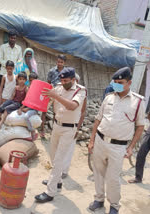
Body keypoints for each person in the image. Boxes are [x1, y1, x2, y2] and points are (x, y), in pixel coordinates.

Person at [87, 67, 145, 214]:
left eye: (121, 82)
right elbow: (98, 119)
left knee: (113, 178)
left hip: (119, 147)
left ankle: (114, 205)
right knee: (98, 174)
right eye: (115, 82)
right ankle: (98, 199)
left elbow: (140, 127)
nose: (117, 84)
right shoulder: (109, 97)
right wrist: (92, 140)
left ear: (129, 82)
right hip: (100, 140)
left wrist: (131, 147)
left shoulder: (137, 102)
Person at [34, 67, 86, 203]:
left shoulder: (80, 91)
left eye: (66, 80)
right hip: (57, 125)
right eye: (61, 80)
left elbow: (72, 106)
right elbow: (48, 100)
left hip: (69, 129)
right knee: (52, 154)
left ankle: (50, 192)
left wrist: (56, 96)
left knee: (58, 160)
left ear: (73, 79)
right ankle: (57, 180)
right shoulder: (58, 87)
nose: (63, 83)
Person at [62, 73, 87, 178]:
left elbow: (83, 112)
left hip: (72, 126)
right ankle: (58, 170)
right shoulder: (64, 92)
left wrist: (77, 128)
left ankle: (64, 171)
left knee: (69, 149)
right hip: (61, 125)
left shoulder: (81, 94)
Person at [40, 54, 67, 138]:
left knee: (56, 113)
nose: (59, 63)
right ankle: (42, 130)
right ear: (57, 61)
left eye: (61, 62)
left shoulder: (66, 72)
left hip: (60, 95)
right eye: (58, 62)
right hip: (50, 93)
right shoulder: (52, 71)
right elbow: (48, 82)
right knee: (44, 111)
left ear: (64, 63)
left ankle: (54, 131)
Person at [17, 72, 39, 140]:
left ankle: (32, 130)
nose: (31, 82)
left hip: (34, 109)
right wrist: (21, 108)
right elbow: (26, 100)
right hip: (27, 107)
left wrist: (28, 109)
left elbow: (36, 103)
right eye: (30, 80)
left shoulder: (37, 90)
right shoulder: (28, 88)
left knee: (26, 117)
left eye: (33, 80)